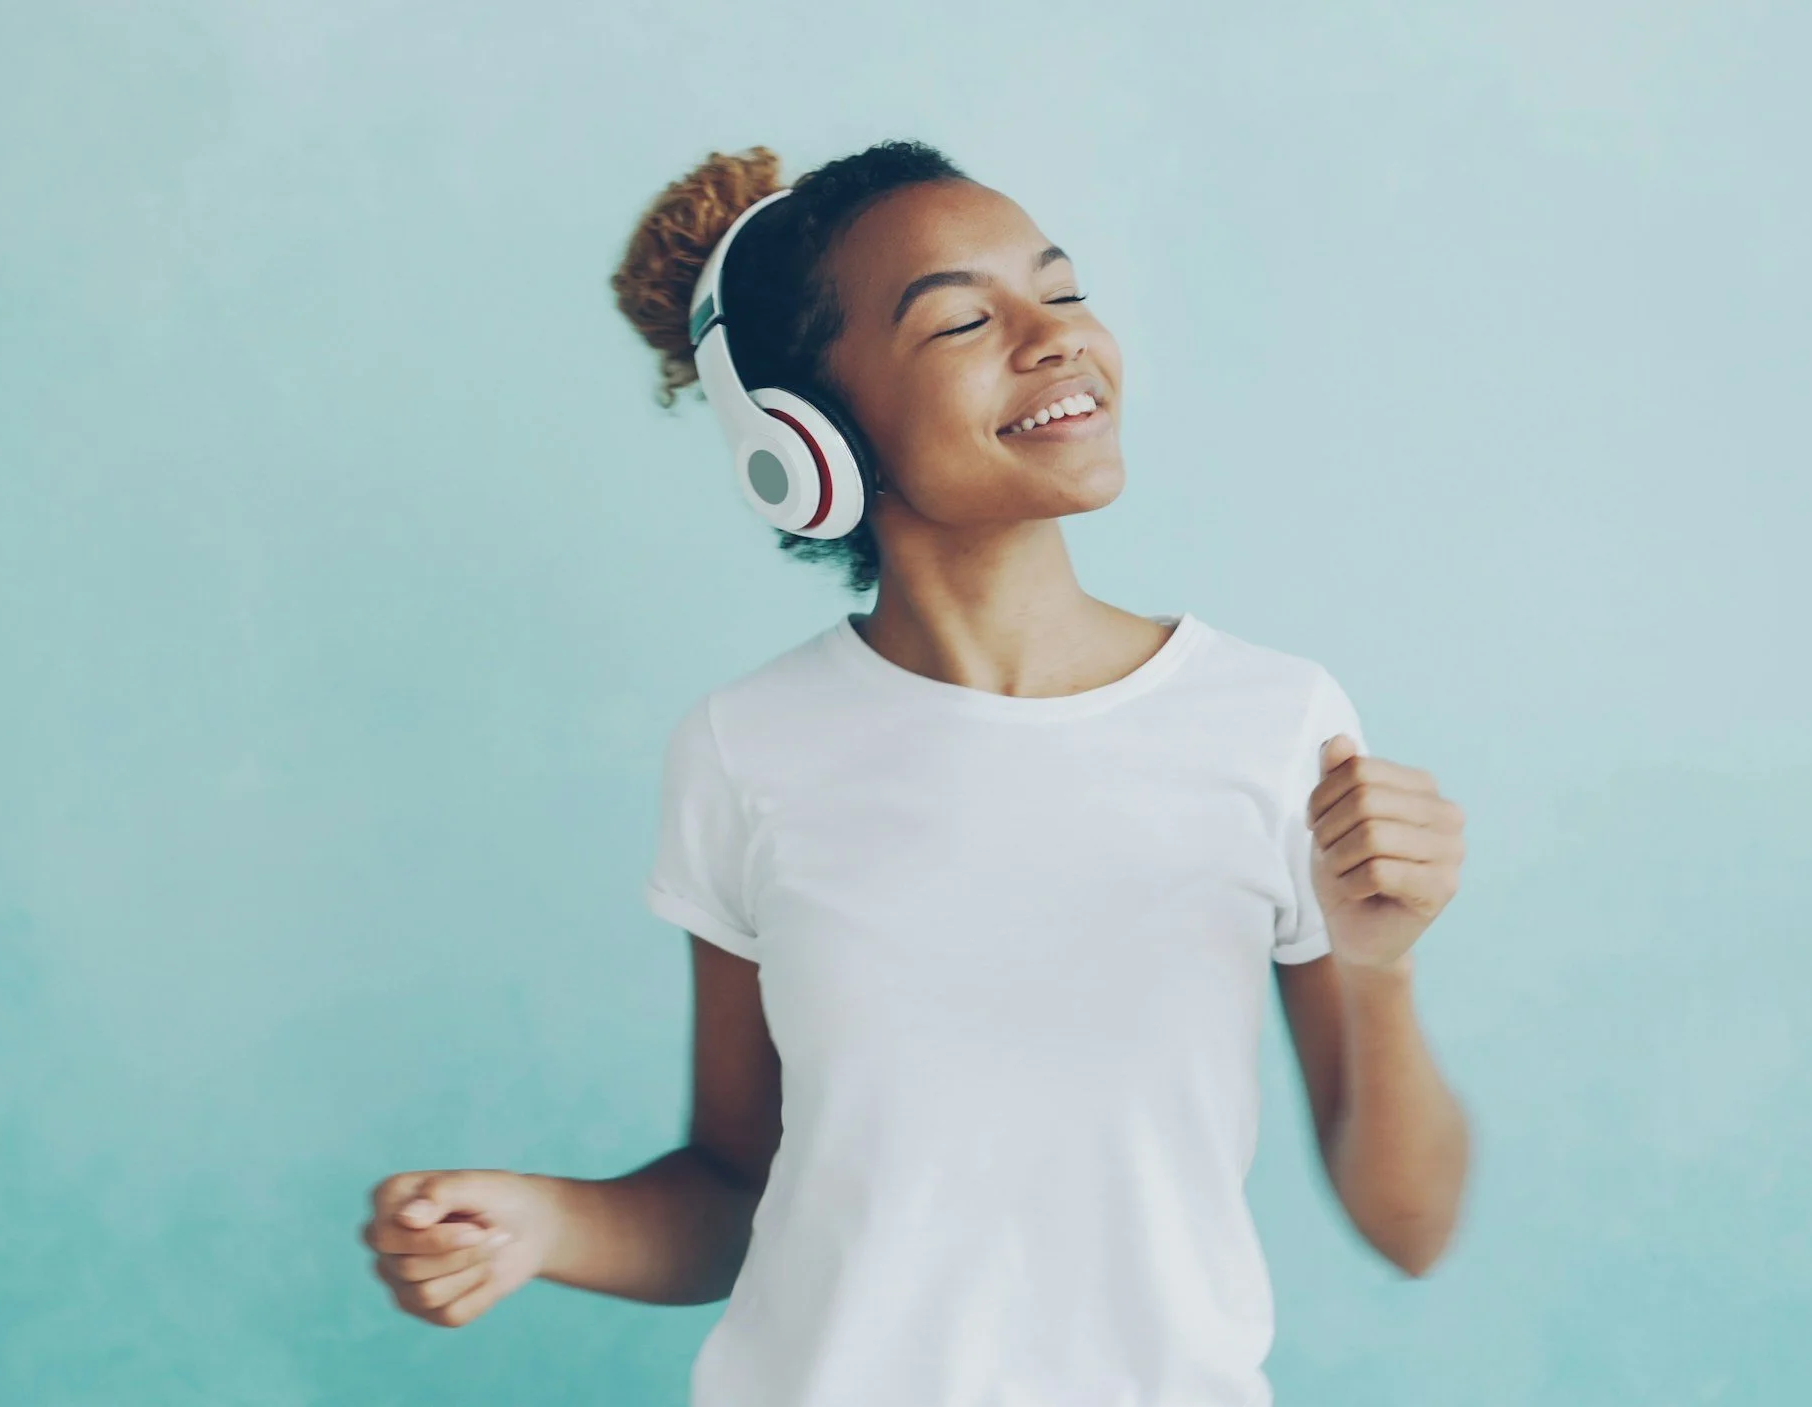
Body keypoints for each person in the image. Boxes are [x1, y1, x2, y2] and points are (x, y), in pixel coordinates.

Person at [362, 140, 1473, 1406]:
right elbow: (737, 1191)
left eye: (1059, 290)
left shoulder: (1275, 720)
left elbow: (1412, 1224)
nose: (1052, 337)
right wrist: (546, 1227)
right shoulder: (745, 748)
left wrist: (1379, 967)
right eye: (959, 321)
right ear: (811, 435)